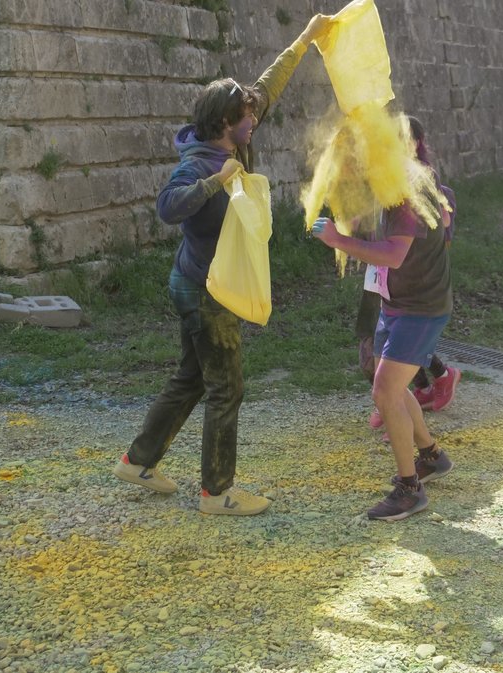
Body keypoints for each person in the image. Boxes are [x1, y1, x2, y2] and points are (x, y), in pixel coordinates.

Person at [113, 14, 333, 516]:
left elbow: (265, 86)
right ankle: (217, 492)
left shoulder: (237, 134)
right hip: (205, 290)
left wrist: (306, 38)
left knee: (192, 378)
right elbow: (168, 207)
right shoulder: (198, 163)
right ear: (222, 125)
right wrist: (217, 182)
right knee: (225, 388)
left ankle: (138, 460)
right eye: (245, 117)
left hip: (195, 282)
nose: (254, 120)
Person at [312, 116, 455, 521]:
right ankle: (430, 455)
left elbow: (394, 254)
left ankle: (409, 490)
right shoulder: (389, 185)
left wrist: (340, 241)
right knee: (385, 378)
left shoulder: (404, 191)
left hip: (422, 309)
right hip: (397, 304)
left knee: (384, 391)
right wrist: (351, 224)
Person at [359, 119, 460, 430]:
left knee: (404, 344)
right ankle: (397, 400)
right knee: (380, 340)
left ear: (416, 143)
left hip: (415, 284)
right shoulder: (387, 179)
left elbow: (441, 223)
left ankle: (403, 404)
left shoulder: (423, 182)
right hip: (385, 277)